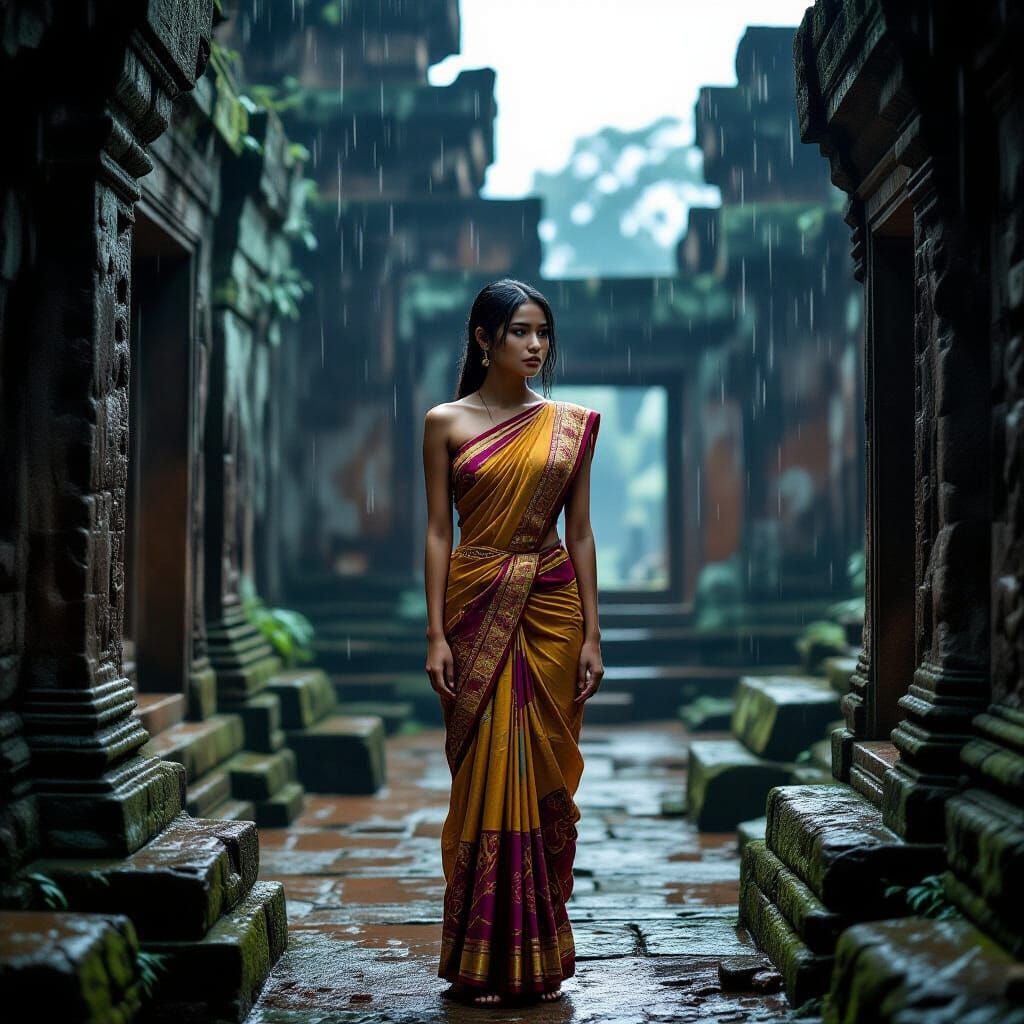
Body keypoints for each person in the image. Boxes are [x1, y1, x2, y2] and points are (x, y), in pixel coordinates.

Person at [421, 278, 604, 1007]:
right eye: (522, 332)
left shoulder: (572, 425)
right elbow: (439, 531)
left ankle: (536, 953)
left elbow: (581, 532)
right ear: (484, 339)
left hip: (552, 608)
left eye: (544, 333)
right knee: (485, 771)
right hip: (474, 606)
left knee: (539, 773)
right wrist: (435, 631)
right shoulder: (446, 423)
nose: (536, 346)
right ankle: (482, 955)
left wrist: (593, 630)